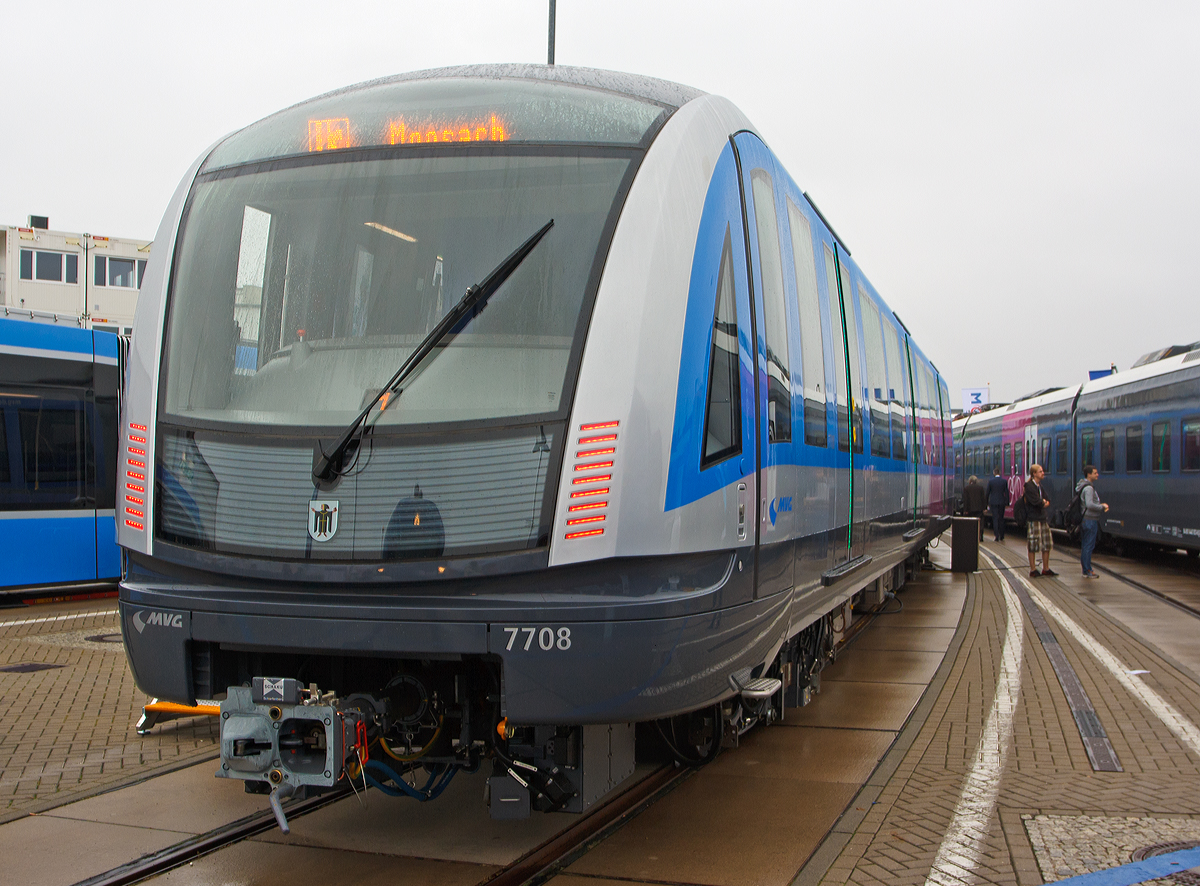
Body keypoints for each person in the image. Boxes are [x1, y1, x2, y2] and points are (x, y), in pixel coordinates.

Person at [1075, 465, 1109, 578]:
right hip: (1090, 520)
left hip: (1086, 520)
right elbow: (1089, 504)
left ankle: (1086, 569)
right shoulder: (1089, 488)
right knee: (1088, 546)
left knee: (1086, 545)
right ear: (1089, 475)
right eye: (1095, 473)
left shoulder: (1084, 486)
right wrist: (1102, 507)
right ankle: (1087, 570)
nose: (1097, 475)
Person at [1025, 463, 1055, 577]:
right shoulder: (1029, 486)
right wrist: (1043, 503)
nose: (1043, 473)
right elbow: (1036, 501)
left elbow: (1047, 499)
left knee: (1047, 543)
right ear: (1034, 474)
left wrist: (1044, 502)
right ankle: (1033, 569)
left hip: (1042, 518)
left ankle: (1045, 568)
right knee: (1033, 544)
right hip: (1034, 518)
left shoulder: (1039, 486)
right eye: (1040, 471)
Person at [985, 467, 1008, 542]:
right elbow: (1006, 493)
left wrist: (986, 503)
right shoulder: (1004, 481)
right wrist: (1007, 502)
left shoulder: (991, 481)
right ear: (1000, 473)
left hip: (993, 502)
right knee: (1001, 519)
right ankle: (1002, 535)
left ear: (994, 473)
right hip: (1001, 502)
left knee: (995, 519)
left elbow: (987, 493)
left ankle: (996, 536)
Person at [962, 475, 986, 541]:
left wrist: (965, 510)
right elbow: (983, 499)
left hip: (970, 509)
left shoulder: (966, 488)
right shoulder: (980, 488)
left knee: (971, 523)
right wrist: (984, 508)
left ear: (970, 481)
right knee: (980, 523)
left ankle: (972, 536)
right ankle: (980, 536)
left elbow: (966, 500)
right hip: (979, 509)